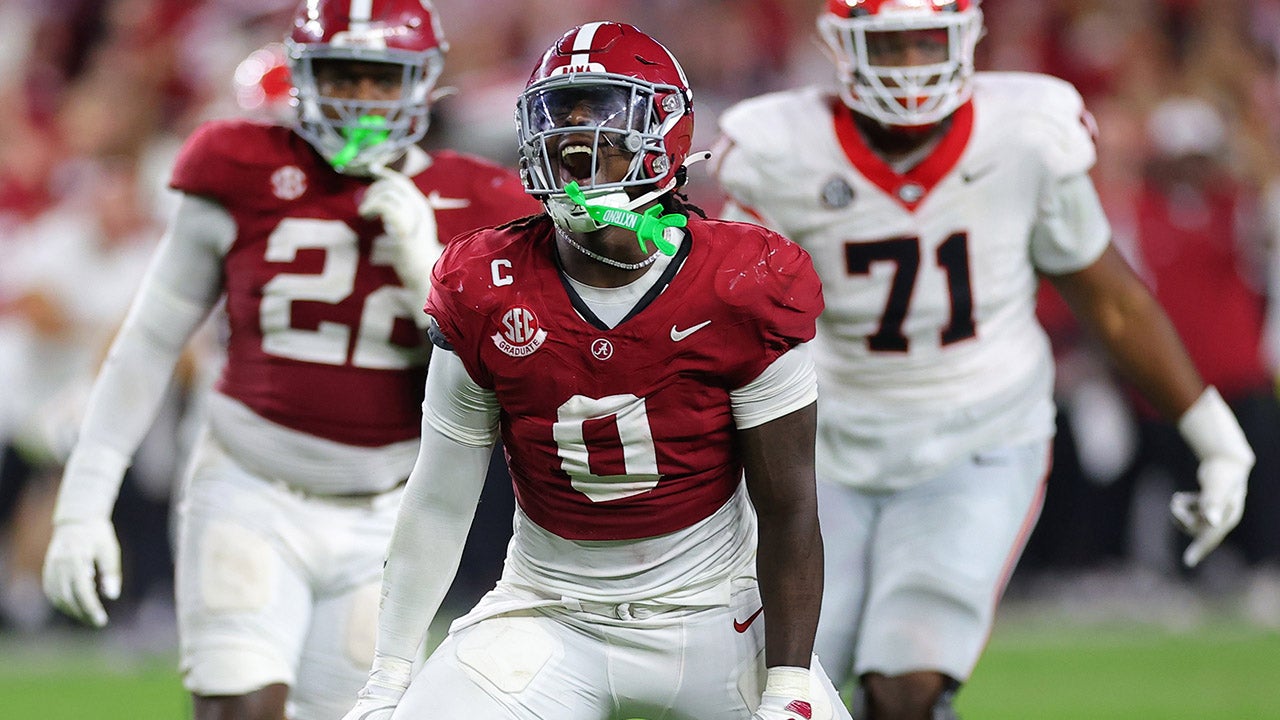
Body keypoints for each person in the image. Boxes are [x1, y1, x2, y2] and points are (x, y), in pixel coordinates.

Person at [712, 1, 1256, 718]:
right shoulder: (778, 147)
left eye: (926, 42)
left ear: (966, 38)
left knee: (905, 685)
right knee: (773, 683)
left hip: (978, 437)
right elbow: (724, 316)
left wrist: (1214, 435)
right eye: (890, 46)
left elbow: (1109, 296)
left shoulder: (1025, 131)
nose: (910, 69)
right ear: (840, 46)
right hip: (824, 447)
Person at [39, 1, 540, 718]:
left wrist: (426, 271)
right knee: (239, 706)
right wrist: (84, 505)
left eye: (381, 77)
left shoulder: (482, 201)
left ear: (424, 81)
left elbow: (512, 381)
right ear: (303, 74)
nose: (360, 99)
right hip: (251, 487)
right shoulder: (237, 165)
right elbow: (150, 340)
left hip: (389, 516)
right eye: (342, 75)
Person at [340, 21, 851, 720]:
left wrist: (788, 688)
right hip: (549, 610)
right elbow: (438, 499)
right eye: (560, 113)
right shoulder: (486, 283)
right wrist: (389, 678)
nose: (574, 135)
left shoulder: (744, 281)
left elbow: (791, 509)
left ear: (666, 131)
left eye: (603, 111)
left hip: (716, 617)